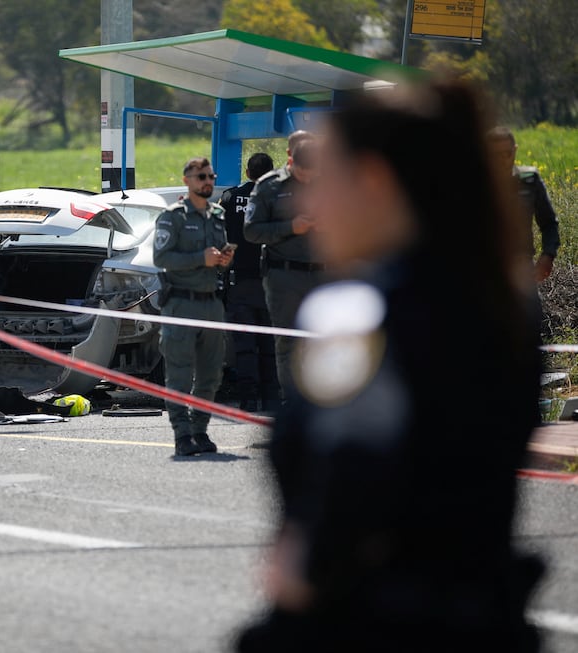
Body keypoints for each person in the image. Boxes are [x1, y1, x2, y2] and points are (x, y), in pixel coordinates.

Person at [233, 78, 544, 652]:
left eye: (328, 182)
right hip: (483, 616)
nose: (312, 203)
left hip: (368, 622)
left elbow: (352, 471)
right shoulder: (505, 302)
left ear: (374, 181)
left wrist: (305, 574)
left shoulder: (356, 311)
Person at [153, 157, 234, 456]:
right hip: (180, 304)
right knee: (180, 376)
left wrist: (223, 261)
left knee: (211, 375)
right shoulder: (172, 216)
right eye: (201, 176)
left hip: (211, 304)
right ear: (187, 180)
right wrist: (201, 258)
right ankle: (182, 435)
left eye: (211, 176)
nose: (208, 181)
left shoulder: (218, 215)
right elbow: (162, 258)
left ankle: (200, 430)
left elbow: (218, 260)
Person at [244, 133, 324, 400]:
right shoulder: (269, 186)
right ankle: (294, 402)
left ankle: (320, 399)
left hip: (322, 273)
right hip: (283, 274)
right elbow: (252, 231)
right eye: (303, 173)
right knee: (288, 340)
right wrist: (291, 227)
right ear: (290, 160)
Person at [218, 152, 280, 412]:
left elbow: (218, 231)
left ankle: (248, 399)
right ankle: (271, 398)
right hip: (270, 281)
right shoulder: (276, 197)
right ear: (271, 172)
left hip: (239, 282)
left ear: (247, 171)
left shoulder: (230, 197)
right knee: (269, 344)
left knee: (244, 346)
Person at [487, 126, 561, 282]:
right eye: (495, 155)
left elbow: (549, 224)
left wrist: (548, 255)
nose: (502, 160)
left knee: (531, 306)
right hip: (484, 270)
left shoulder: (529, 181)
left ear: (515, 150)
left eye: (507, 154)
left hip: (521, 268)